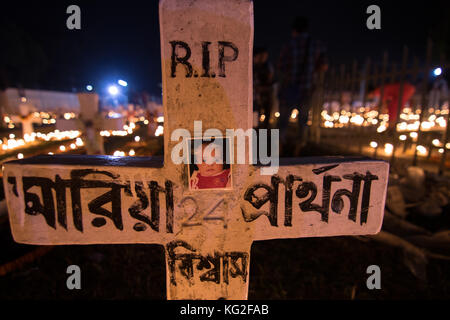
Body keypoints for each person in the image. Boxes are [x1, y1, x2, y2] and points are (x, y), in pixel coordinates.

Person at [277, 16, 328, 153]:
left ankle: (280, 147)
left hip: (289, 88)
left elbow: (281, 66)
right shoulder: (316, 45)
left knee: (283, 120)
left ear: (294, 30)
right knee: (303, 120)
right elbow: (323, 66)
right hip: (306, 89)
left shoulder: (289, 45)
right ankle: (298, 148)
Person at [253, 47, 274, 129]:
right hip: (258, 94)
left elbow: (271, 79)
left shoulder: (268, 66)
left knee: (267, 112)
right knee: (256, 113)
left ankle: (265, 132)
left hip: (266, 93)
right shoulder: (256, 67)